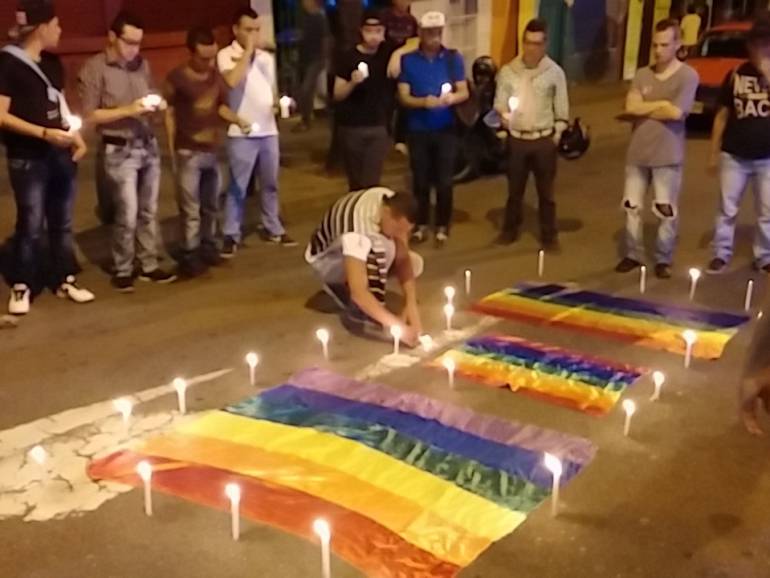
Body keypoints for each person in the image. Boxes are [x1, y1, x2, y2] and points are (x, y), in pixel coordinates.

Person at [0, 0, 94, 315]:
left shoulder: (53, 63)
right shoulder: (7, 64)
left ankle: (64, 277)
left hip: (59, 153)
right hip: (27, 157)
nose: (60, 30)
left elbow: (60, 106)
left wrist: (75, 137)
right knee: (30, 222)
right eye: (56, 24)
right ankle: (22, 283)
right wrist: (42, 133)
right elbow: (0, 115)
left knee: (62, 221)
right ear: (41, 28)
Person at [79, 11, 177, 293]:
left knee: (149, 209)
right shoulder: (94, 68)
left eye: (138, 43)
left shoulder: (141, 65)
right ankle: (123, 267)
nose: (135, 49)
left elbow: (150, 94)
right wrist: (128, 110)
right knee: (127, 211)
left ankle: (148, 263)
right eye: (129, 42)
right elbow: (89, 115)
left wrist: (155, 106)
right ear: (112, 36)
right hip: (119, 148)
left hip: (146, 143)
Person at [614, 19, 698, 279]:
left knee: (665, 210)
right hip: (638, 153)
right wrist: (660, 104)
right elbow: (631, 107)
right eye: (655, 45)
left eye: (664, 44)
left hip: (667, 155)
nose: (658, 50)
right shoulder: (642, 74)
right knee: (632, 207)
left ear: (677, 44)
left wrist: (648, 106)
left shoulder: (688, 76)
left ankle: (663, 258)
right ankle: (632, 253)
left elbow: (676, 112)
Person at [164, 27, 249, 278]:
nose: (209, 63)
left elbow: (219, 106)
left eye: (212, 57)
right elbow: (168, 112)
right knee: (190, 207)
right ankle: (189, 253)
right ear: (190, 53)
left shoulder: (214, 77)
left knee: (211, 204)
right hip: (188, 151)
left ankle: (208, 245)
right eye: (204, 58)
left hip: (212, 150)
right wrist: (172, 149)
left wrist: (237, 119)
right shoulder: (177, 78)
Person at [217, 7, 297, 258]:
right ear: (236, 30)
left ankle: (272, 226)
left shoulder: (266, 58)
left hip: (268, 129)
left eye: (256, 29)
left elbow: (269, 89)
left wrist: (277, 104)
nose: (253, 34)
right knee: (239, 185)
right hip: (240, 130)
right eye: (248, 29)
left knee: (270, 183)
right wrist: (248, 52)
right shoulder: (225, 55)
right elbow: (230, 82)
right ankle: (231, 232)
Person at [305, 187, 423, 345]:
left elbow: (403, 258)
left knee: (414, 263)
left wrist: (411, 305)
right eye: (397, 229)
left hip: (355, 245)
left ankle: (366, 296)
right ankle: (346, 292)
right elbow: (359, 292)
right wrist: (396, 326)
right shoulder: (358, 229)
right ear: (387, 213)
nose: (398, 234)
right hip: (325, 261)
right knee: (380, 248)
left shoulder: (389, 200)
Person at [493, 18, 569, 252]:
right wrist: (504, 119)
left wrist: (556, 134)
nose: (531, 48)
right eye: (527, 43)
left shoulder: (554, 73)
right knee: (514, 191)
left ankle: (549, 235)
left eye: (536, 43)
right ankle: (509, 230)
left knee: (546, 193)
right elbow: (499, 104)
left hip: (543, 139)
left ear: (544, 45)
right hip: (518, 139)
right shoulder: (508, 72)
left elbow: (562, 110)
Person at [398, 11, 469, 248]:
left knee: (445, 180)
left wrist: (451, 99)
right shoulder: (408, 60)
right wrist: (423, 102)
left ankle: (442, 224)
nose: (434, 37)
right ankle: (420, 224)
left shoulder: (452, 58)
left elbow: (464, 91)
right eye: (429, 32)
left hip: (446, 128)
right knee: (420, 180)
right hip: (418, 130)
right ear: (420, 33)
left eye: (438, 32)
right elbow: (403, 96)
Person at [706, 18, 770, 276]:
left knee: (767, 211)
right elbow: (722, 115)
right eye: (756, 44)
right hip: (734, 155)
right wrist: (713, 153)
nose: (759, 50)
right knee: (727, 208)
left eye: (765, 45)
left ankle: (764, 256)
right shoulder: (735, 74)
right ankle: (721, 253)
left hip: (767, 157)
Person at [333, 12, 394, 191]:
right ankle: (354, 216)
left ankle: (368, 216)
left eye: (378, 30)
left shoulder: (387, 52)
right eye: (369, 30)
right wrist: (352, 82)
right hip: (352, 126)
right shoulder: (348, 56)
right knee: (356, 182)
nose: (373, 35)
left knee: (372, 182)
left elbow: (413, 44)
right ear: (361, 31)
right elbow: (338, 94)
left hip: (378, 126)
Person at [381, 0, 418, 154]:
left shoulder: (411, 20)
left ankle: (400, 138)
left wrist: (401, 53)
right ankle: (384, 135)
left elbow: (415, 42)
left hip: (405, 66)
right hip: (384, 65)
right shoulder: (384, 17)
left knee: (404, 102)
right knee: (386, 102)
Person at [294, 0, 330, 133]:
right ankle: (306, 119)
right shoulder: (305, 18)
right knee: (303, 90)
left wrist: (324, 59)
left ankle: (306, 121)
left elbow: (325, 39)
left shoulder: (320, 17)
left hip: (316, 59)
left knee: (307, 89)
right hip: (305, 58)